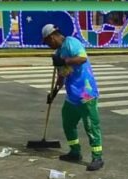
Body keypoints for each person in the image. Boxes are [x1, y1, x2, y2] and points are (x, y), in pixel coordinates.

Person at [41, 24, 104, 171]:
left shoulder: (71, 42)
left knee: (90, 125)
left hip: (86, 92)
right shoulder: (59, 53)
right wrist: (53, 93)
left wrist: (63, 61)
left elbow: (82, 58)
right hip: (72, 95)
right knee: (68, 123)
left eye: (47, 42)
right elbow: (61, 76)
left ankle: (97, 157)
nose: (48, 45)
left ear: (52, 37)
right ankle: (75, 152)